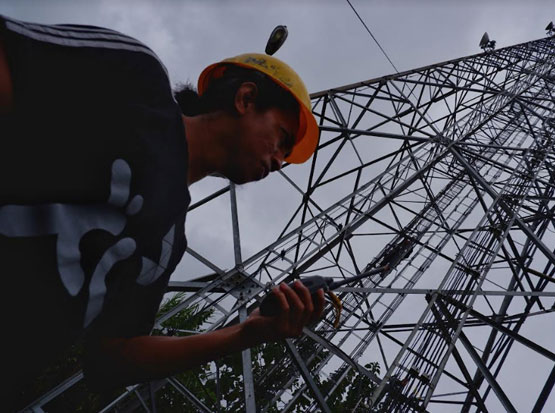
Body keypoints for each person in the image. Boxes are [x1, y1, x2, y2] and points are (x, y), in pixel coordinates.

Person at [0, 14, 324, 410]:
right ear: (245, 99)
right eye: (282, 139)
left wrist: (248, 333)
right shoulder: (136, 82)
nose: (279, 161)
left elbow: (110, 360)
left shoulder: (169, 239)